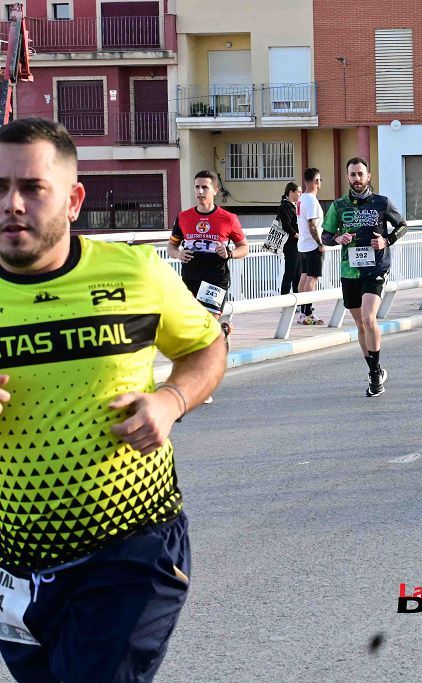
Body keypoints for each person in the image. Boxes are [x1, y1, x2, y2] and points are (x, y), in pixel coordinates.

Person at [0, 117, 226, 682]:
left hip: (131, 546)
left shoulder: (136, 275)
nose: (12, 204)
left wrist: (171, 401)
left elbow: (206, 347)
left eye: (32, 188)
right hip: (15, 568)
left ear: (74, 199)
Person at [321, 157, 408, 397]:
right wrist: (338, 239)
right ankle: (374, 370)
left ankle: (374, 376)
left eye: (361, 174)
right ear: (347, 177)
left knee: (369, 319)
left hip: (376, 268)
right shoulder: (338, 206)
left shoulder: (382, 203)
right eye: (352, 175)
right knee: (360, 325)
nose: (357, 179)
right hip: (350, 270)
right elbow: (325, 236)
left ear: (368, 177)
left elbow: (402, 225)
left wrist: (386, 240)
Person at [168, 170, 246, 407]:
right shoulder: (183, 217)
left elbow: (244, 247)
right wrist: (178, 254)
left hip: (216, 279)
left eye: (204, 187)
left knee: (207, 329)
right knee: (191, 329)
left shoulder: (228, 218)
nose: (200, 192)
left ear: (215, 190)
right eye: (197, 187)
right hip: (190, 278)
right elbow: (171, 246)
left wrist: (230, 253)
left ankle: (202, 385)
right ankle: (222, 332)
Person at [294, 167, 325, 325]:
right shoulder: (311, 200)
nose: (320, 183)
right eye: (319, 180)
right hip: (312, 245)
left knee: (304, 277)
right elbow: (312, 225)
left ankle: (302, 311)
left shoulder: (301, 199)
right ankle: (307, 312)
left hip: (302, 244)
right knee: (312, 278)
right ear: (316, 181)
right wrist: (320, 243)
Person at [276, 181, 301, 295]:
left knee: (297, 274)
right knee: (290, 273)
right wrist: (297, 235)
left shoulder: (293, 206)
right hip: (291, 245)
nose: (300, 194)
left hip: (296, 244)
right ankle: (284, 301)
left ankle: (298, 302)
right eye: (298, 192)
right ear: (291, 192)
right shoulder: (285, 206)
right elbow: (287, 226)